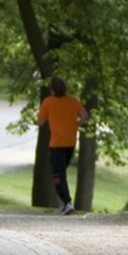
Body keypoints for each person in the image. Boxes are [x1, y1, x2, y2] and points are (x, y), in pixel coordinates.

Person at [36, 77, 88, 214]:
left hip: (56, 144)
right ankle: (64, 202)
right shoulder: (73, 101)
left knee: (58, 175)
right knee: (61, 173)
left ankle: (67, 202)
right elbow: (84, 115)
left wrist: (41, 116)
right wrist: (77, 124)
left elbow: (40, 122)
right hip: (70, 142)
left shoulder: (48, 102)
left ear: (52, 89)